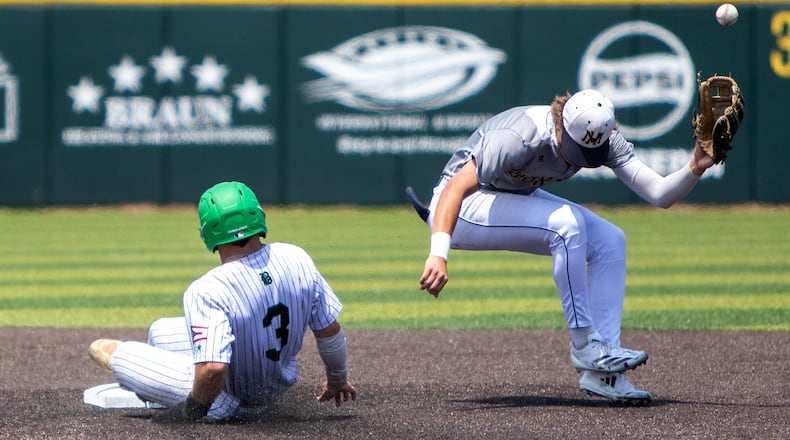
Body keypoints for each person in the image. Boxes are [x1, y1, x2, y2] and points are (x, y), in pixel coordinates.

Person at [415, 89, 718, 405]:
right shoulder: (518, 137)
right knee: (566, 225)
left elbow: (659, 194)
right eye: (576, 148)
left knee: (610, 240)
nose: (581, 159)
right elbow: (455, 189)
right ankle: (585, 345)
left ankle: (605, 376)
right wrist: (439, 253)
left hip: (511, 195)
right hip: (459, 208)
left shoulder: (602, 136)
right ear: (560, 124)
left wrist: (694, 167)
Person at [88, 181, 356, 422]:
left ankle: (161, 385)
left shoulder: (208, 288)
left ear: (208, 231)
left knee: (121, 355)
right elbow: (329, 331)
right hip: (275, 385)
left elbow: (214, 369)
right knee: (159, 332)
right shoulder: (297, 258)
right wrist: (336, 381)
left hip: (226, 401)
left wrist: (193, 410)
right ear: (258, 217)